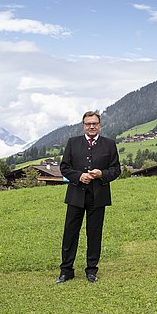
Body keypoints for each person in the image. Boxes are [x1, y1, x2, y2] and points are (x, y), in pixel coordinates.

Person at [56, 111, 121, 283]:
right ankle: (66, 271)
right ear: (83, 125)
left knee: (94, 234)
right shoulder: (72, 143)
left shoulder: (109, 144)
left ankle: (91, 270)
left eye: (94, 123)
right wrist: (78, 176)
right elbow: (64, 167)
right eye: (88, 124)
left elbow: (116, 170)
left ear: (100, 125)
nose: (91, 126)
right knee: (70, 233)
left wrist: (102, 174)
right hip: (76, 195)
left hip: (98, 196)